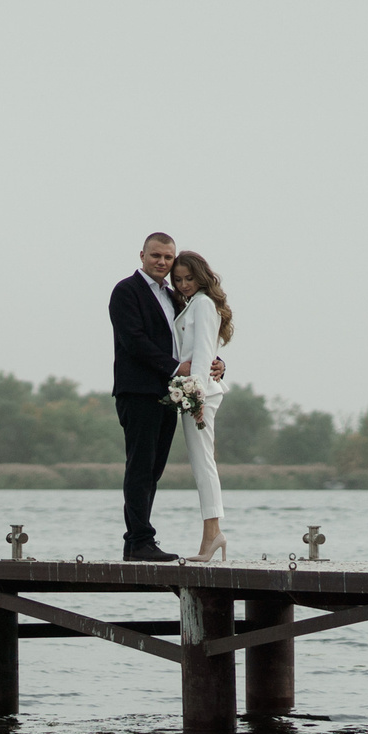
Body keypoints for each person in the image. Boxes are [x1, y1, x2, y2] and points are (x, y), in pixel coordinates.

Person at [107, 232, 219, 561]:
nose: (162, 262)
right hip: (138, 391)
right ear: (142, 255)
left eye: (168, 257)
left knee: (154, 469)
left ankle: (138, 542)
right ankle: (139, 540)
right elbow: (133, 340)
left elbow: (191, 339)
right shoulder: (126, 291)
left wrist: (217, 363)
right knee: (140, 467)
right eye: (156, 255)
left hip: (170, 395)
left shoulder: (174, 296)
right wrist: (175, 368)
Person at [169, 251, 233, 562]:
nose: (183, 285)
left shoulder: (204, 304)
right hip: (198, 392)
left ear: (202, 276)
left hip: (200, 395)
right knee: (202, 464)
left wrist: (196, 396)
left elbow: (204, 354)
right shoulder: (194, 303)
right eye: (178, 280)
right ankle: (212, 534)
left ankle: (212, 535)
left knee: (203, 464)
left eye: (189, 278)